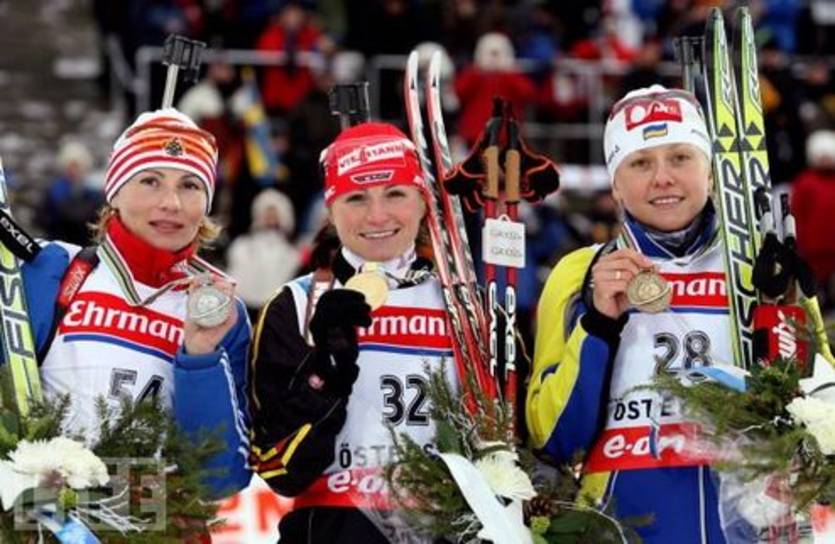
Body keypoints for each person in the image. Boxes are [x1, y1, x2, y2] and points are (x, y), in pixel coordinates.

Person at [526, 84, 744, 542]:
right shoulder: (577, 273)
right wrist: (598, 325)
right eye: (640, 163)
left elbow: (819, 410)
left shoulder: (755, 265)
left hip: (749, 521)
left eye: (680, 157)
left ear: (709, 170)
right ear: (616, 185)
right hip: (622, 526)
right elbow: (551, 439)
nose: (662, 178)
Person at [23, 108, 251, 498]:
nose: (171, 203)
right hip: (42, 517)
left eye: (190, 185)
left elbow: (218, 479)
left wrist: (200, 357)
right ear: (114, 191)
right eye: (150, 181)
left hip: (157, 521)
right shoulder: (54, 270)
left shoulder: (220, 310)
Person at [249, 122, 458, 542]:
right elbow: (278, 470)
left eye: (395, 194)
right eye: (356, 197)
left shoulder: (464, 305)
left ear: (423, 202)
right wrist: (326, 374)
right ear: (330, 209)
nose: (377, 216)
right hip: (333, 531)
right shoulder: (297, 304)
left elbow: (512, 444)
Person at [226, 187, 301, 320]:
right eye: (267, 213)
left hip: (273, 309)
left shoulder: (290, 252)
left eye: (274, 213)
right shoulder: (243, 245)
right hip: (245, 306)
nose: (270, 217)